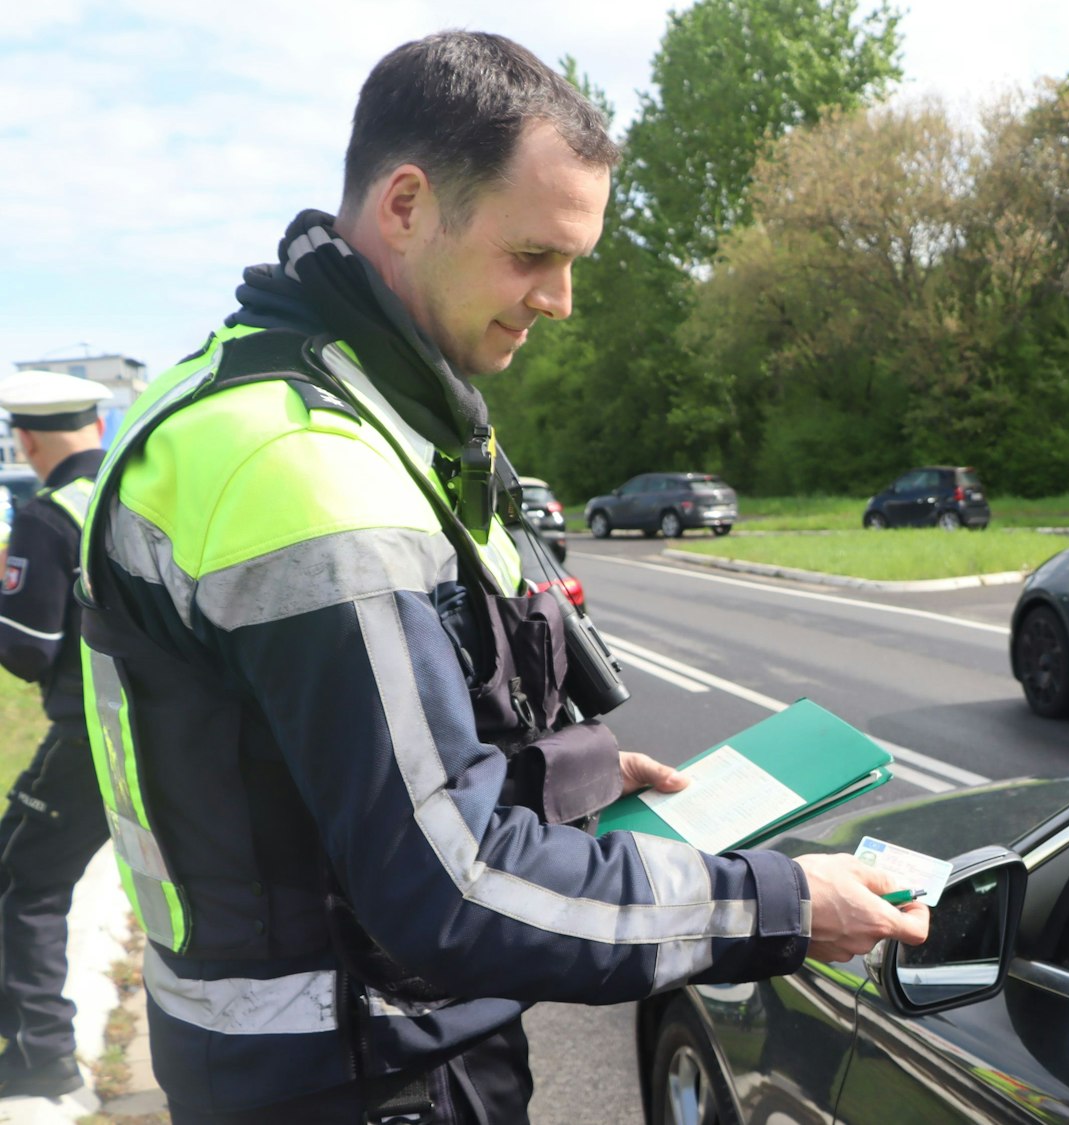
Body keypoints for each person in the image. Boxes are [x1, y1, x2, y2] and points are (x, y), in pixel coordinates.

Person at [78, 31, 926, 1123]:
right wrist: (779, 904)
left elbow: (300, 771)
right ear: (406, 206)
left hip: (332, 1050)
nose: (561, 300)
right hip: (359, 1074)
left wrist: (557, 778)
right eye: (533, 256)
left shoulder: (291, 397)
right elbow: (450, 883)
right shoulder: (300, 465)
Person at [0, 372, 112, 1101]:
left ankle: (40, 1057)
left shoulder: (48, 515)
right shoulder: (136, 488)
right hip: (184, 731)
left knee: (18, 881)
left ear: (27, 439)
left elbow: (27, 649)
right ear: (99, 430)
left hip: (92, 741)